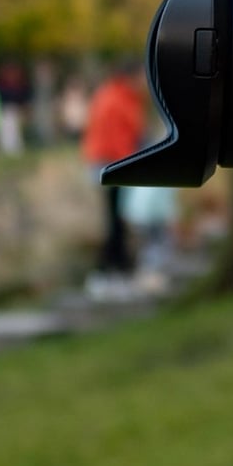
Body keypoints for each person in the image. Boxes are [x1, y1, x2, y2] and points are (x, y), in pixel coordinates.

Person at [81, 60, 146, 298]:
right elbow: (116, 137)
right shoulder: (117, 99)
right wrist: (130, 164)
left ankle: (117, 269)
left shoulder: (116, 95)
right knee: (116, 220)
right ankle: (111, 270)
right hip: (112, 164)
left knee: (117, 219)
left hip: (111, 163)